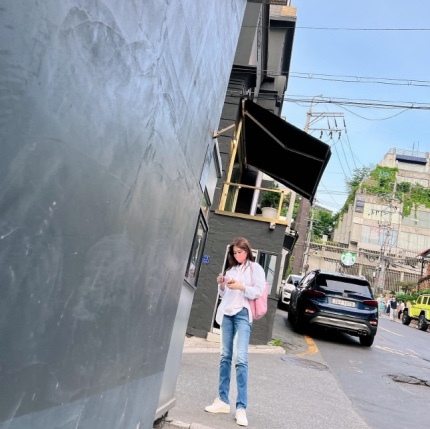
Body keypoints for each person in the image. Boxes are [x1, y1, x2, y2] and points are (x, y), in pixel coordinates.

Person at [205, 237, 266, 427]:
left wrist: (241, 286)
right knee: (225, 356)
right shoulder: (231, 270)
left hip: (242, 315)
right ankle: (223, 400)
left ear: (247, 251)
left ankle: (241, 408)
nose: (237, 255)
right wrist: (222, 284)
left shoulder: (255, 268)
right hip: (227, 314)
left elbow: (258, 291)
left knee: (241, 359)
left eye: (240, 252)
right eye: (234, 252)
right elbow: (224, 294)